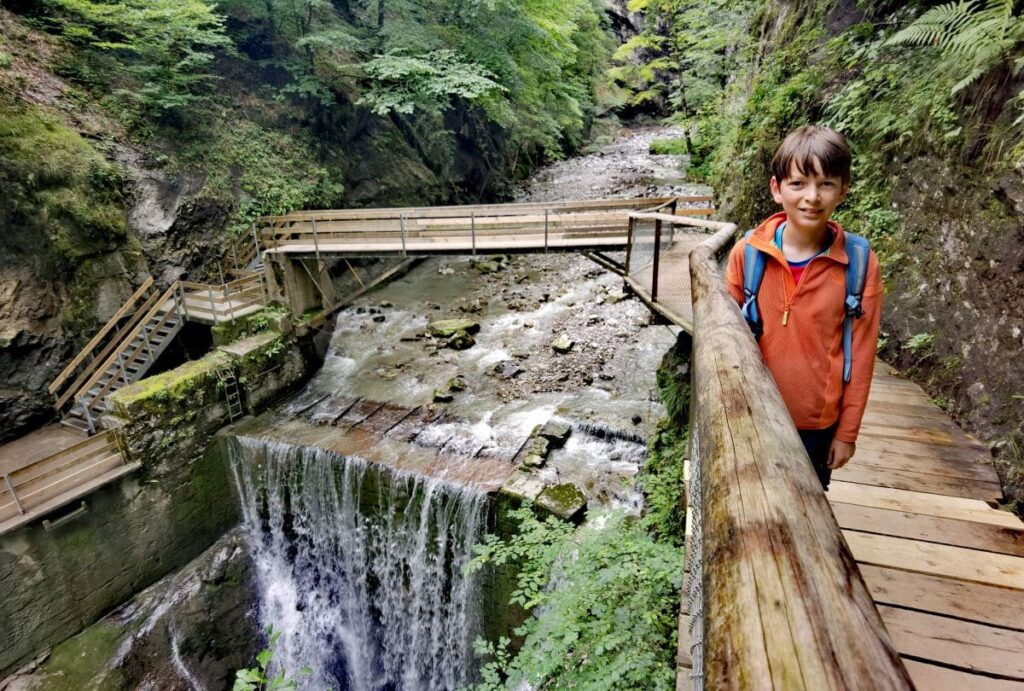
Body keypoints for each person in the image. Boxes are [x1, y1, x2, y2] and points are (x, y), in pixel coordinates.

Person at [724, 125, 883, 490]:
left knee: (808, 513)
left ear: (843, 189)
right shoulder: (747, 254)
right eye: (798, 184)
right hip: (752, 415)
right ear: (776, 189)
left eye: (826, 183)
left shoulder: (859, 264)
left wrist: (847, 433)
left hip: (815, 428)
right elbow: (723, 338)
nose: (812, 197)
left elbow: (861, 355)